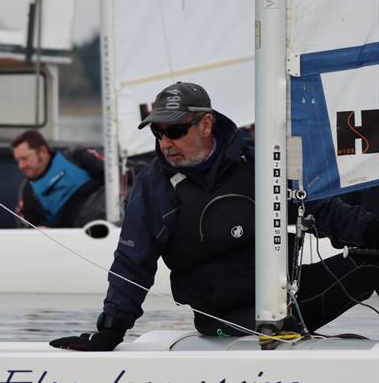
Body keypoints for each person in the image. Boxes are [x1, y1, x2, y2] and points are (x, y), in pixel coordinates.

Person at [50, 81, 379, 351]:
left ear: (205, 124)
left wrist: (369, 230)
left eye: (175, 131)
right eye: (158, 133)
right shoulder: (155, 186)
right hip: (226, 317)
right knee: (278, 331)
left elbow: (320, 209)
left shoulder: (256, 160)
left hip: (290, 294)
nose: (165, 143)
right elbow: (132, 263)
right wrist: (111, 330)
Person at [11, 130, 106, 228]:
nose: (21, 166)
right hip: (77, 231)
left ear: (43, 151)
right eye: (18, 161)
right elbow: (25, 227)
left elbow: (111, 173)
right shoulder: (28, 192)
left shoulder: (75, 156)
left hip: (105, 209)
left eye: (25, 158)